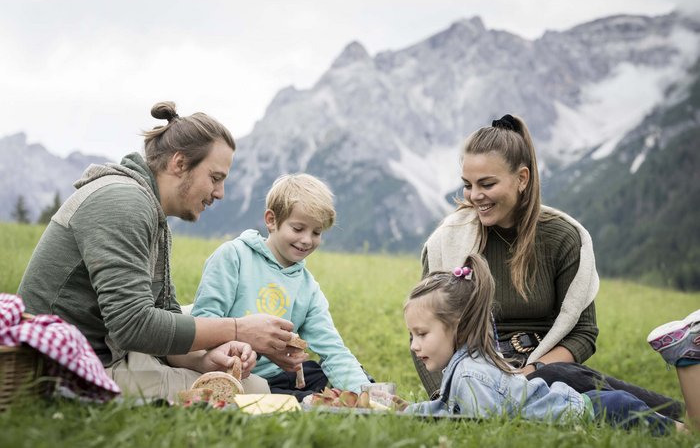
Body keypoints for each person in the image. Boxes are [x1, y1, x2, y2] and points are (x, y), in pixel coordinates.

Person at [17, 102, 297, 401]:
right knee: (255, 392)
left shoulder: (150, 210)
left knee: (223, 367)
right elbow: (133, 325)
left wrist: (202, 360)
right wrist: (239, 330)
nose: (220, 193)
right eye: (215, 178)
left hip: (105, 348)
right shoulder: (124, 203)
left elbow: (163, 313)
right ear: (179, 163)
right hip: (64, 368)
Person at [415, 113, 683, 418]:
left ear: (522, 179)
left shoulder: (563, 237)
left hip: (547, 367)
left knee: (567, 378)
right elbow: (425, 328)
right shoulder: (447, 241)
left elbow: (583, 332)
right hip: (474, 376)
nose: (475, 196)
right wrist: (445, 400)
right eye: (467, 185)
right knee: (582, 388)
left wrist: (531, 372)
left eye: (487, 184)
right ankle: (674, 419)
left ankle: (677, 418)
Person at [402, 255, 700, 434]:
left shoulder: (470, 375)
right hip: (599, 407)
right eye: (412, 335)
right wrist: (409, 412)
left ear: (460, 327)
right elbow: (449, 409)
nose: (414, 346)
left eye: (422, 334)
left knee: (688, 436)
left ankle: (685, 355)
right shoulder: (465, 368)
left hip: (604, 412)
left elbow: (490, 428)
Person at [191, 173, 372, 401]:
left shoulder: (308, 287)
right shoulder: (233, 257)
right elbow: (203, 320)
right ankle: (303, 401)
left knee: (321, 373)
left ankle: (365, 395)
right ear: (271, 220)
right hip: (241, 373)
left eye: (316, 232)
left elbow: (331, 348)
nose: (307, 240)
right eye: (298, 229)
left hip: (285, 374)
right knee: (298, 398)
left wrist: (366, 393)